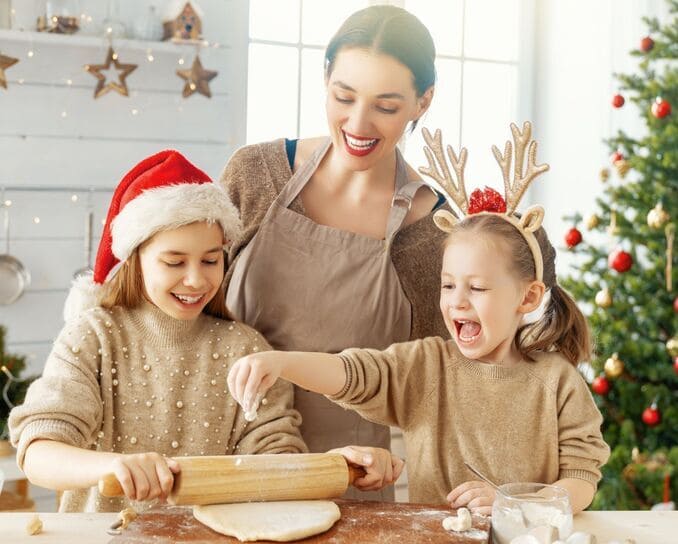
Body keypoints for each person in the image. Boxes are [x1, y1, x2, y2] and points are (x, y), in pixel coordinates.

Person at [226, 123, 611, 514]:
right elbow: (354, 374)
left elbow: (581, 478)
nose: (457, 302)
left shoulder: (557, 382)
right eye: (447, 286)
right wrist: (281, 363)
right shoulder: (429, 365)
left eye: (476, 289)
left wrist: (514, 504)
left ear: (527, 297)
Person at [9, 150, 401, 513]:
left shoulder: (245, 348)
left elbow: (275, 462)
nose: (195, 280)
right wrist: (117, 466)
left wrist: (338, 466)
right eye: (174, 262)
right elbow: (40, 452)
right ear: (136, 260)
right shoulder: (93, 337)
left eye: (211, 260)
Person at [220, 5, 449, 501]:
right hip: (221, 465)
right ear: (325, 78)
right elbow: (185, 307)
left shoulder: (435, 231)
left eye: (386, 106)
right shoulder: (255, 174)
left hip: (348, 488)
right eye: (343, 96)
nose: (358, 122)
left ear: (423, 101)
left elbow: (435, 385)